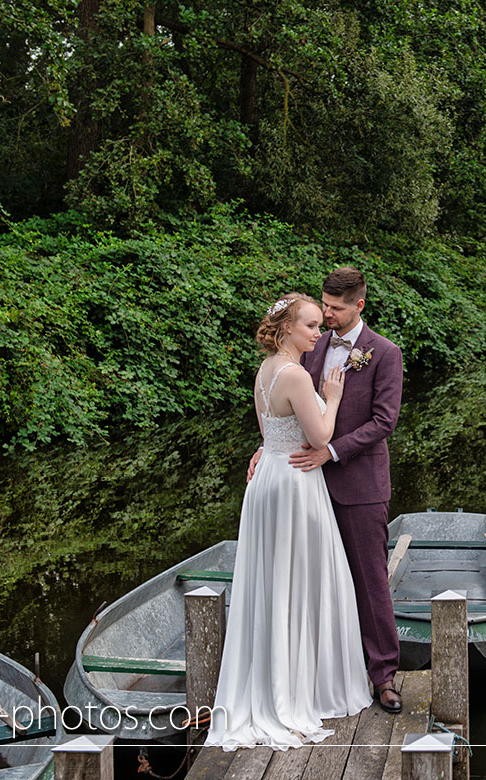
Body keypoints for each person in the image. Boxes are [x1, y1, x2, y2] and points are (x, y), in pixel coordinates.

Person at [207, 293, 372, 750]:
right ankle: (298, 689)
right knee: (304, 579)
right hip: (297, 485)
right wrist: (332, 397)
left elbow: (269, 433)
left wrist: (267, 449)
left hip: (269, 482)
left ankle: (275, 675)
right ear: (286, 330)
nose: (319, 333)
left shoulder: (265, 370)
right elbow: (320, 435)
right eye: (312, 326)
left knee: (276, 581)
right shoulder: (297, 374)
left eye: (320, 325)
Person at [248, 267, 405, 714]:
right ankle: (320, 674)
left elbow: (383, 422)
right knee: (315, 579)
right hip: (302, 486)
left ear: (358, 305)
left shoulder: (385, 353)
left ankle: (384, 675)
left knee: (369, 580)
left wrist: (330, 452)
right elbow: (286, 406)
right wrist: (267, 447)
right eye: (323, 307)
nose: (328, 316)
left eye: (335, 308)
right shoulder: (309, 346)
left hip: (356, 483)